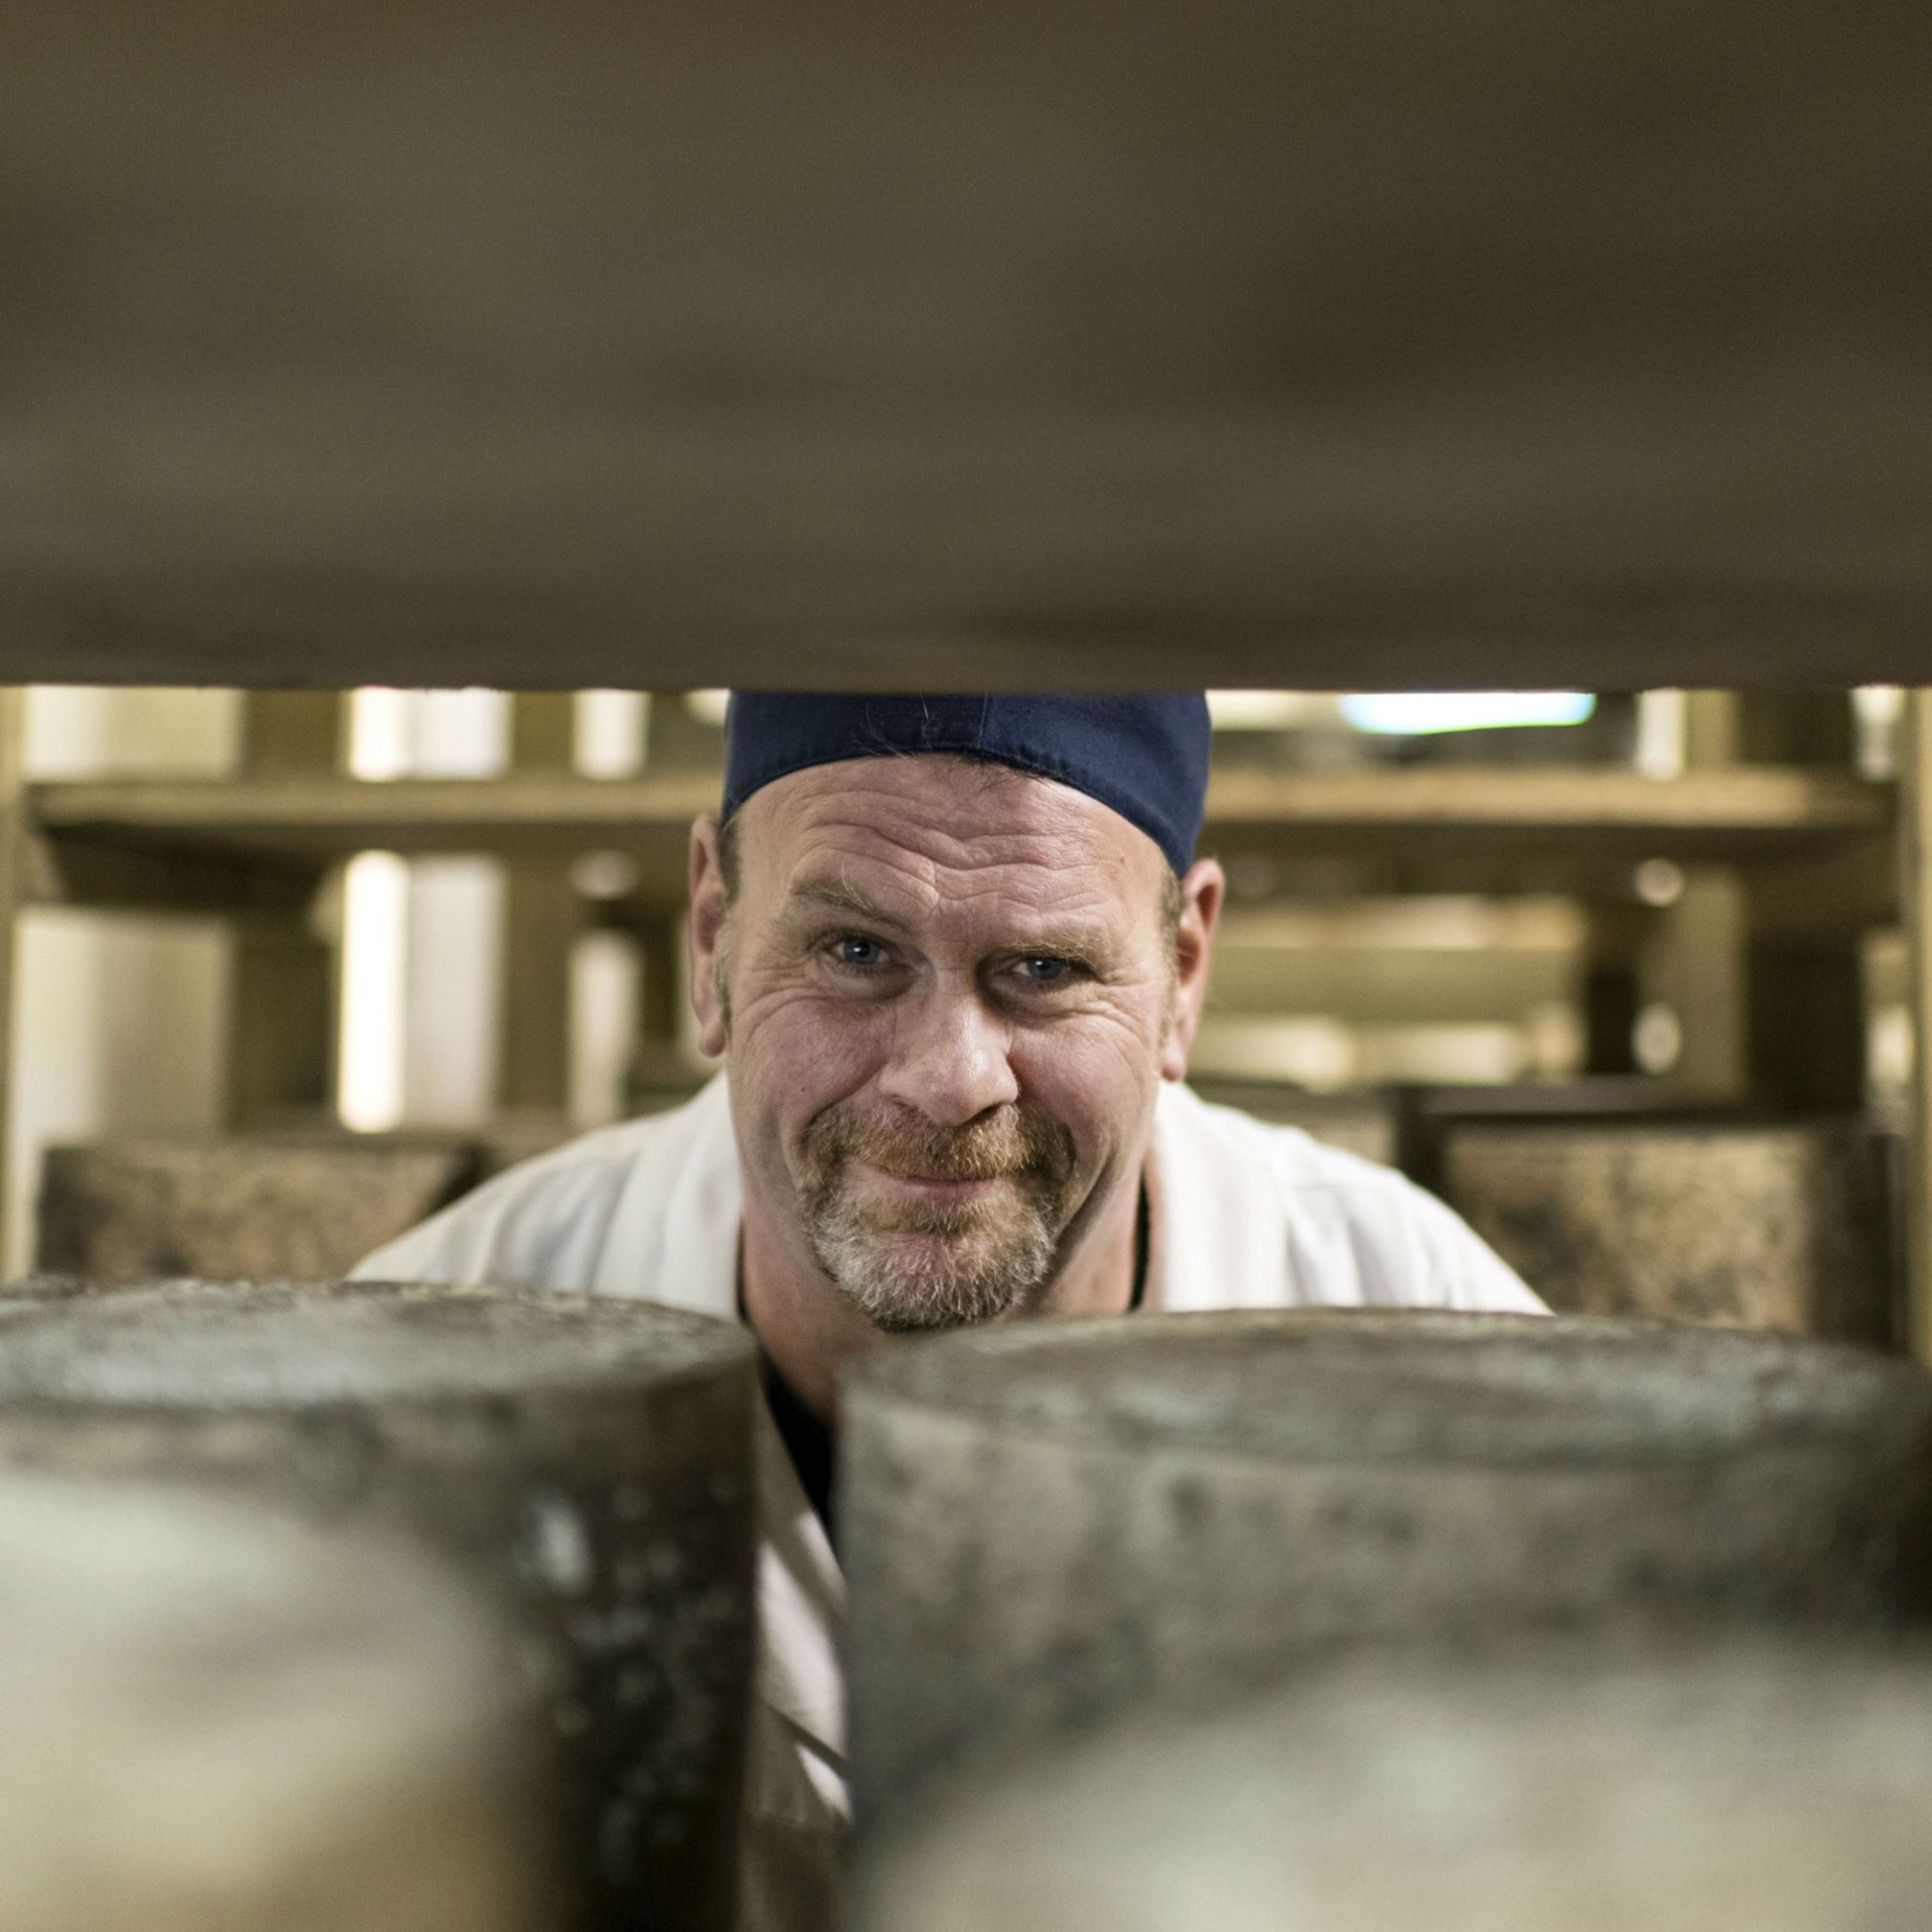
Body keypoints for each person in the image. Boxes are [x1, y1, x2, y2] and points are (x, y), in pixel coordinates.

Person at [354, 693, 1545, 1931]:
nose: (946, 1079)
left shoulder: (1416, 1330)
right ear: (711, 936)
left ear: (1181, 974)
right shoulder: (415, 1379)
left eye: (1041, 969)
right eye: (855, 952)